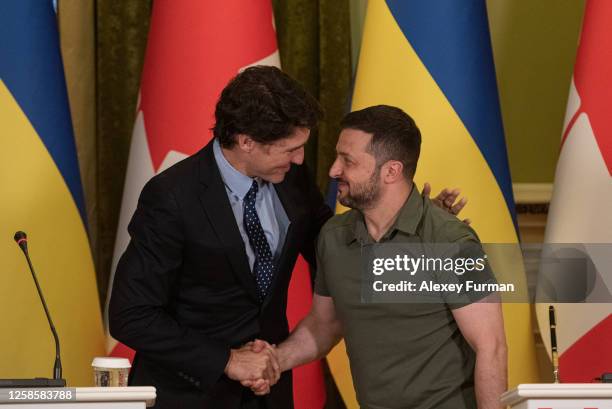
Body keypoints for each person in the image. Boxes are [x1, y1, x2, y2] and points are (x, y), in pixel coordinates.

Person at [109, 66, 467, 409]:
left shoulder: (289, 178)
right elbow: (131, 315)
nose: (300, 159)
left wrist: (412, 220)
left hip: (269, 394)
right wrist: (227, 360)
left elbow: (337, 246)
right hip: (188, 395)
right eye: (289, 149)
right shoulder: (172, 197)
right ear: (246, 141)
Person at [249, 105, 507, 409]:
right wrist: (274, 360)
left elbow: (491, 347)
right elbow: (325, 324)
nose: (333, 170)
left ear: (391, 171)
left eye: (348, 161)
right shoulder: (333, 236)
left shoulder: (451, 240)